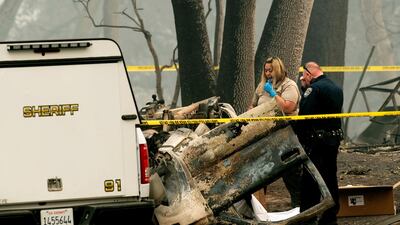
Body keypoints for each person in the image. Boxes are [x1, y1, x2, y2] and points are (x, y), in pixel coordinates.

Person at [294, 61, 344, 225]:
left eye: (303, 76)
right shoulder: (336, 88)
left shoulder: (313, 89)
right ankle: (330, 216)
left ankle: (307, 217)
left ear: (308, 74)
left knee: (310, 181)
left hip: (316, 143)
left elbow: (304, 116)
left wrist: (299, 136)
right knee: (330, 178)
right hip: (333, 140)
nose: (303, 79)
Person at [250, 56, 301, 208]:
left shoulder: (289, 86)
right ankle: (259, 208)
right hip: (263, 135)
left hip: (284, 136)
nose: (267, 74)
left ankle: (298, 205)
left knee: (290, 173)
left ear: (277, 69)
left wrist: (273, 93)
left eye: (270, 70)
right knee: (260, 174)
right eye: (265, 71)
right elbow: (252, 105)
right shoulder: (261, 86)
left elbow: (287, 108)